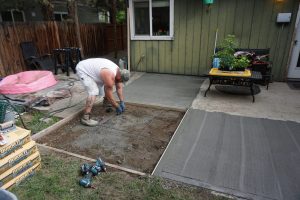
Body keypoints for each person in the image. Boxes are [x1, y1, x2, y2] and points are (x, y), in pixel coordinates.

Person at [76, 58, 130, 126]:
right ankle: (85, 117)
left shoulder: (119, 72)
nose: (121, 82)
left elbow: (119, 87)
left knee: (106, 87)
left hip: (95, 69)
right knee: (94, 91)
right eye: (121, 81)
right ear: (120, 77)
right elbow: (108, 94)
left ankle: (106, 103)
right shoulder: (110, 74)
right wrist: (116, 106)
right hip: (83, 70)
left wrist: (122, 101)